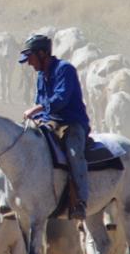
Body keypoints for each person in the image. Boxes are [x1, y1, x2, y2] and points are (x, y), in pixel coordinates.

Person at [19, 34, 90, 219]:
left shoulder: (65, 69)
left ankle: (81, 202)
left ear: (43, 53)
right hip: (50, 122)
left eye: (31, 58)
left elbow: (61, 98)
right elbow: (40, 101)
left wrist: (37, 109)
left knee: (75, 154)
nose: (29, 64)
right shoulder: (42, 75)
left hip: (71, 122)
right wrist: (38, 118)